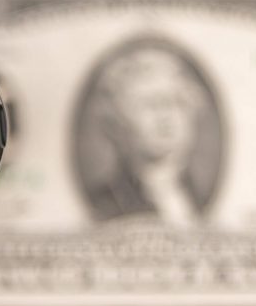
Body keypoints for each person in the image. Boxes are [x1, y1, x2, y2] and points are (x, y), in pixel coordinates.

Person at [85, 44, 209, 225]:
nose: (165, 115)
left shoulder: (198, 194)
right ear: (117, 123)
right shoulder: (104, 205)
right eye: (150, 104)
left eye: (175, 101)